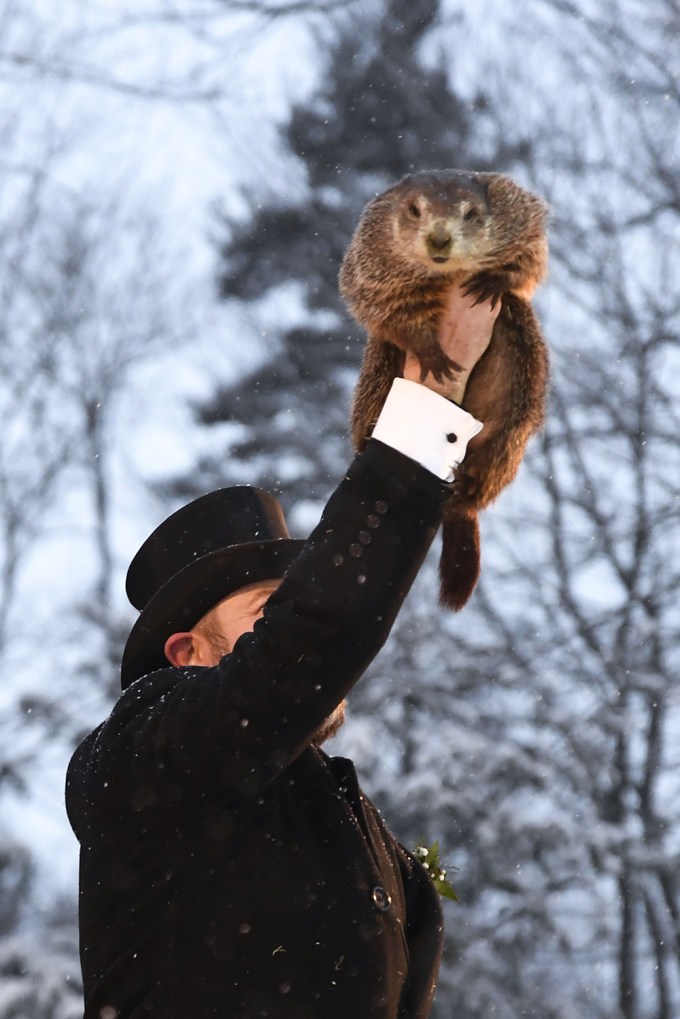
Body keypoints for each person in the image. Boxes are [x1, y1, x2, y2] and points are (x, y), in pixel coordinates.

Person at [66, 284, 500, 1019]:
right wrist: (426, 412)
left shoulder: (364, 834)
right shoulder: (142, 754)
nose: (295, 627)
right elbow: (300, 650)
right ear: (187, 650)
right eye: (270, 612)